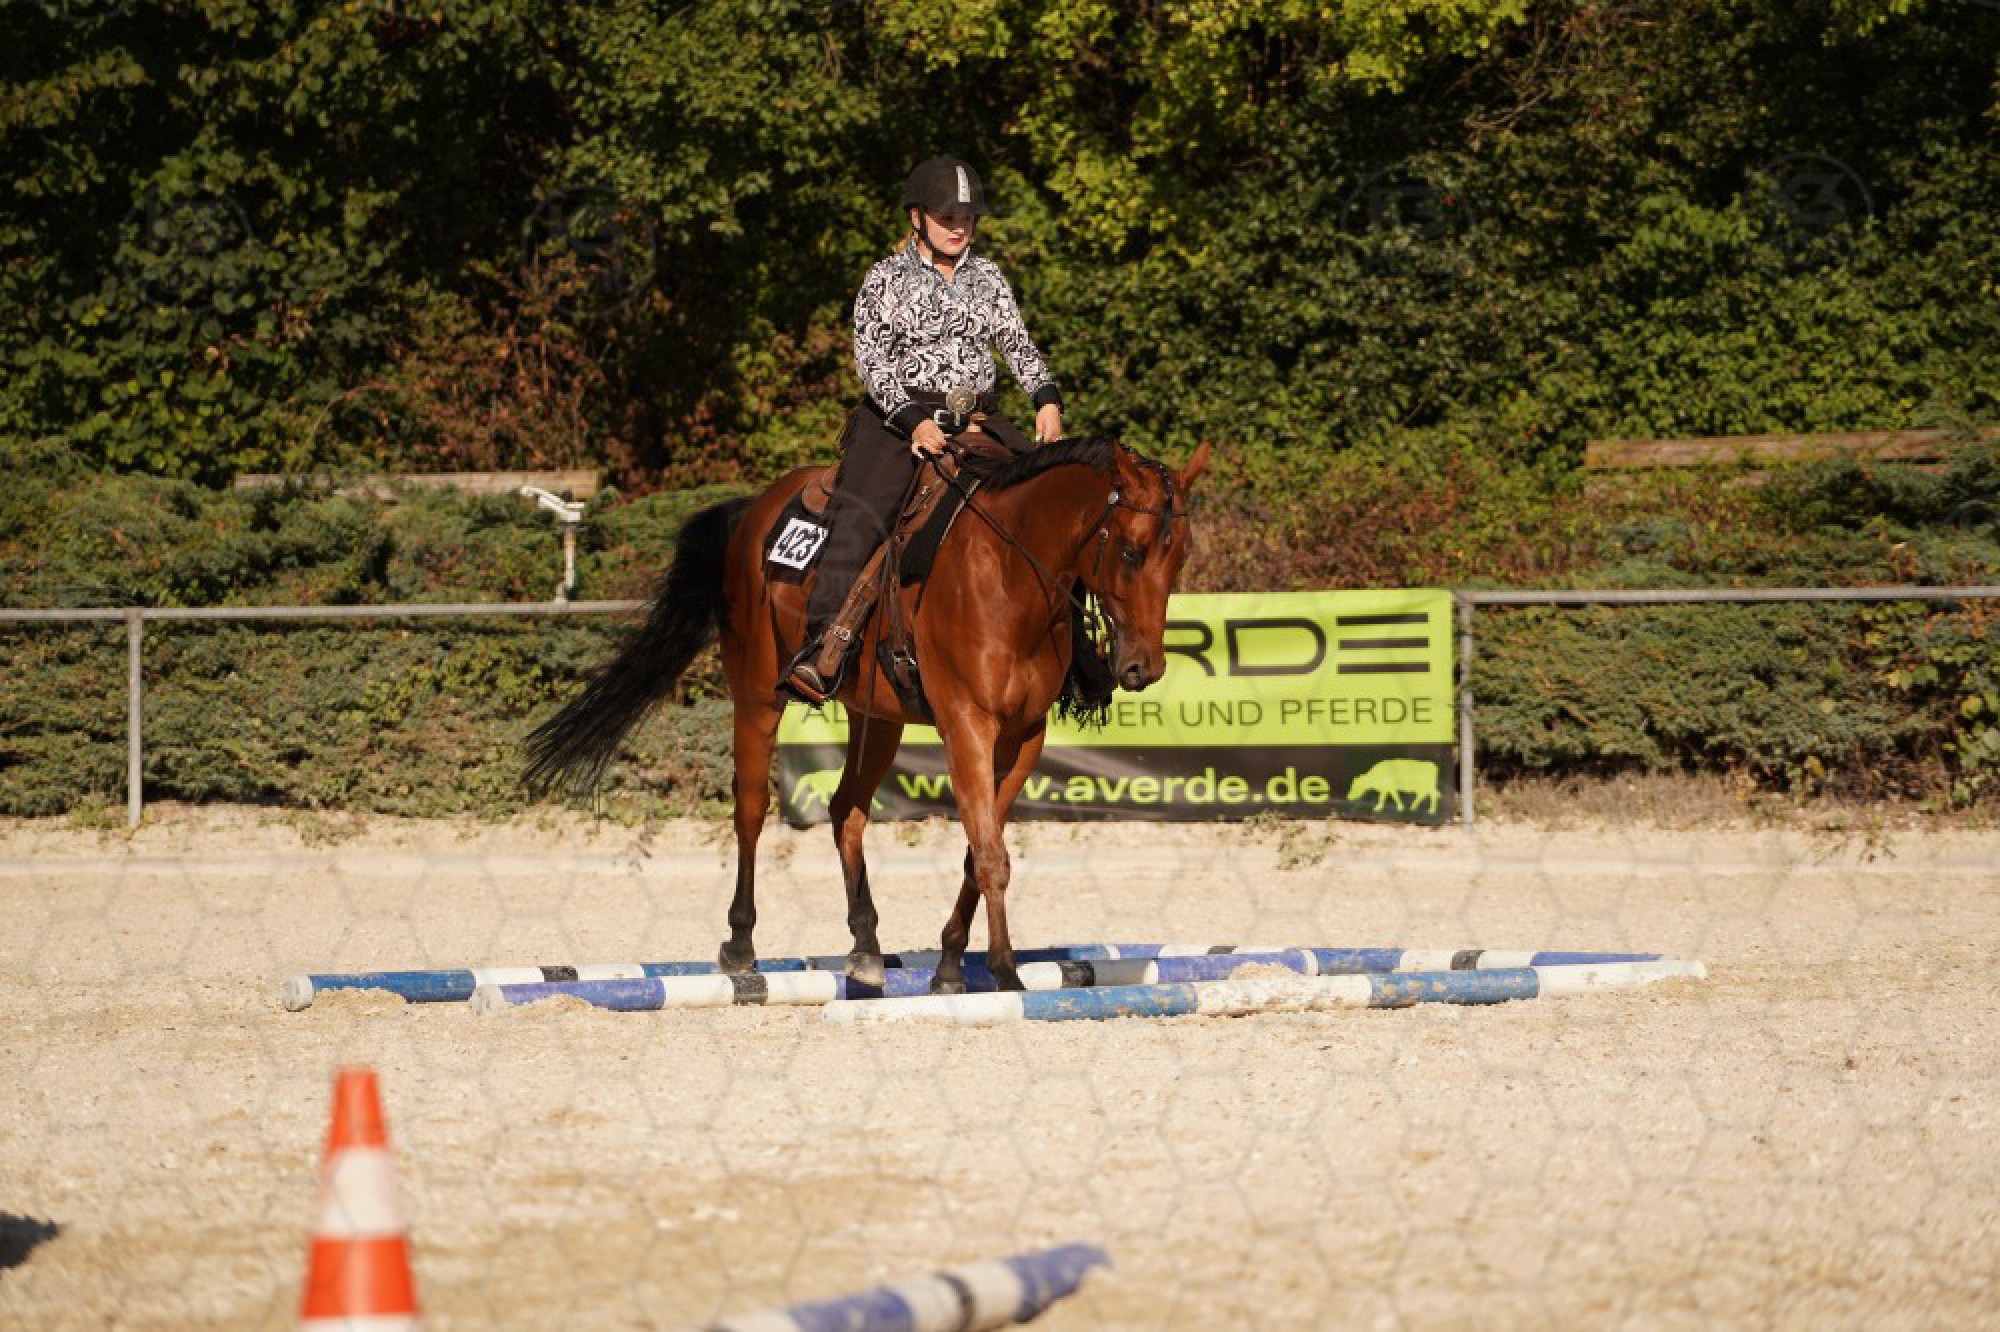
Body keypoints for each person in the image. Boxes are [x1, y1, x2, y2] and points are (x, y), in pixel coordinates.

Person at [783, 155, 1064, 702]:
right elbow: (872, 362)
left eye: (967, 217)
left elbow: (1016, 345)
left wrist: (1045, 398)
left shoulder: (988, 276)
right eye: (947, 217)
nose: (960, 227)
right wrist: (913, 421)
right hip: (897, 420)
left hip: (980, 418)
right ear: (917, 217)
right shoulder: (884, 279)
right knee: (862, 517)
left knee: (1046, 504)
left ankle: (1076, 659)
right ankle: (821, 649)